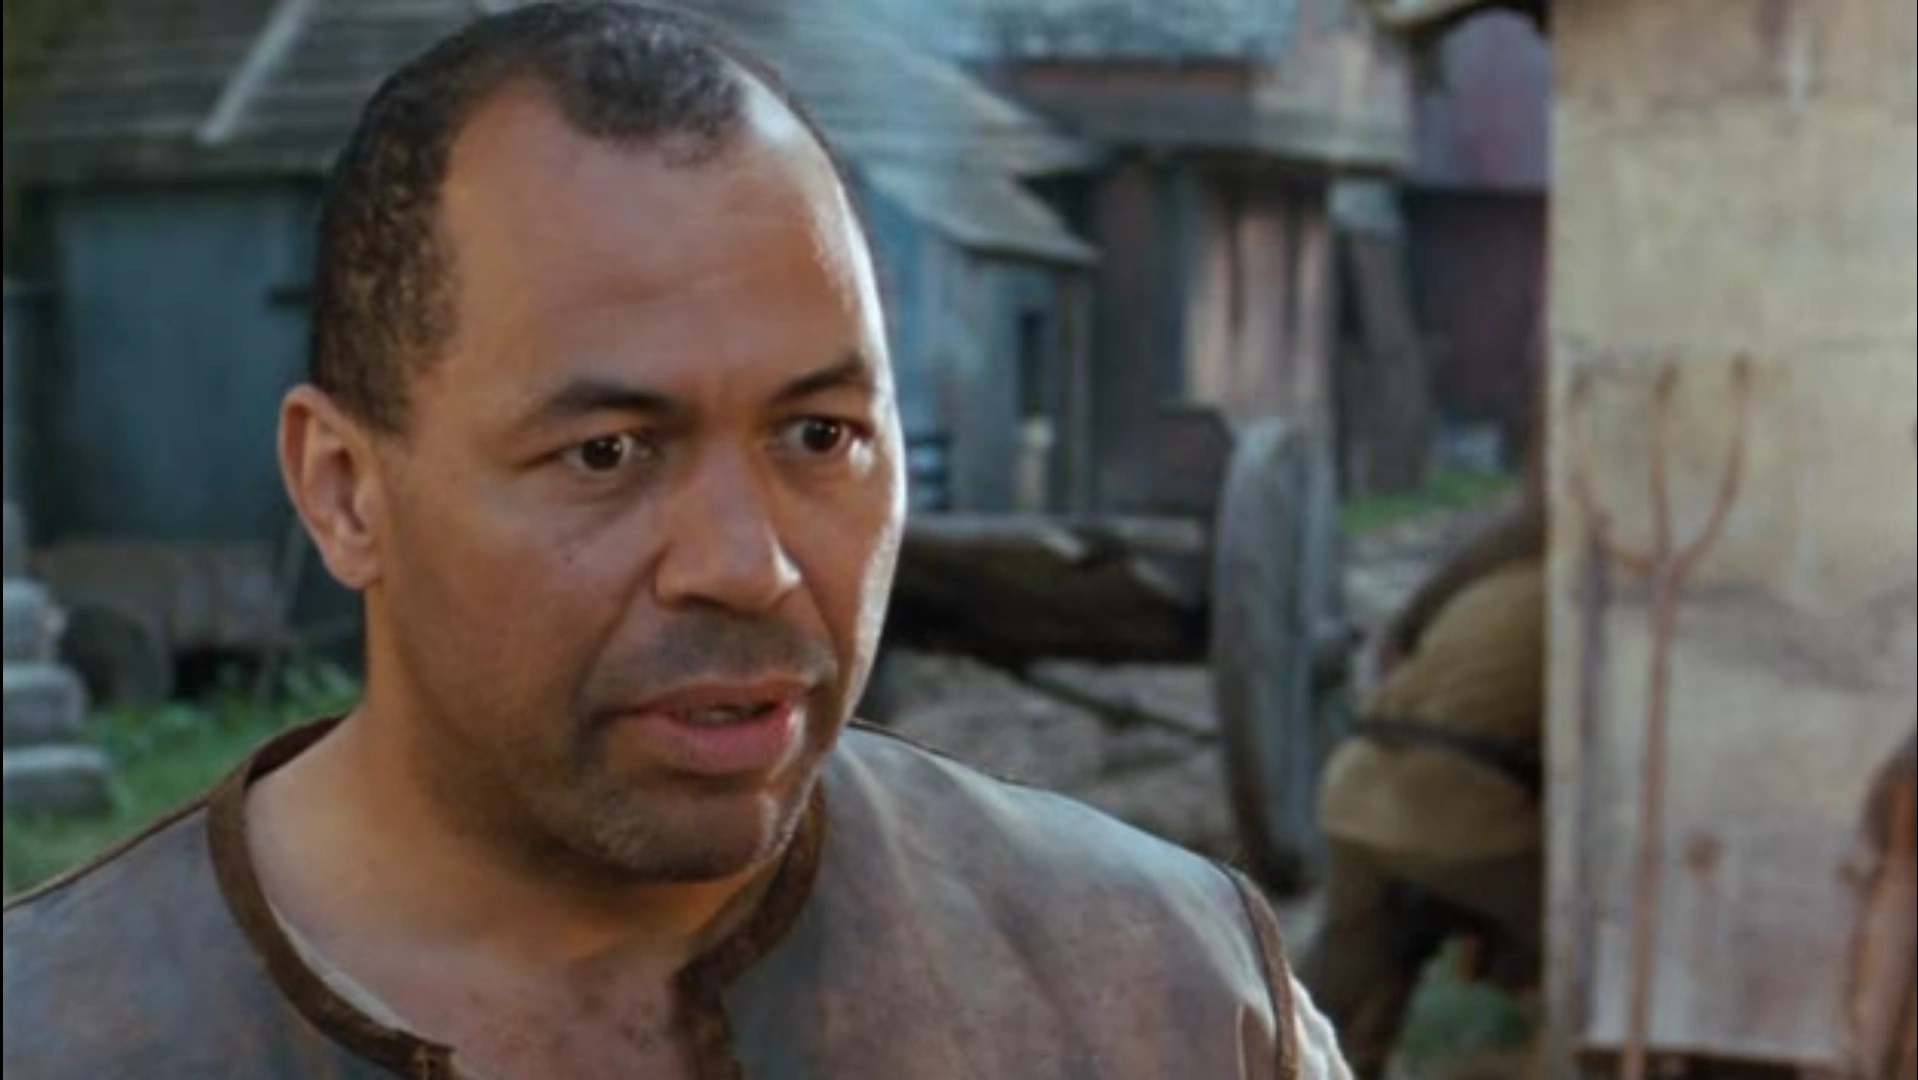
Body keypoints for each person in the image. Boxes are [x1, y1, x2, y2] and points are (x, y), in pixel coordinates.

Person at [3, 5, 1347, 1077]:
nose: (747, 565)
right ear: (346, 491)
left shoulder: (1171, 994)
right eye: (606, 452)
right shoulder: (64, 1031)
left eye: (818, 434)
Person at [1299, 411, 1549, 1078]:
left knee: (1342, 978)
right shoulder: (1576, 606)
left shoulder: (1489, 586)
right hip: (1453, 806)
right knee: (1584, 947)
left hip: (1355, 787)